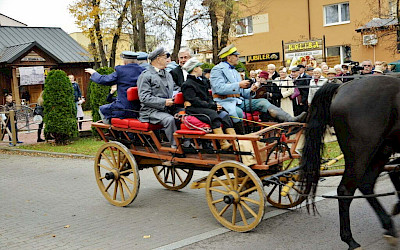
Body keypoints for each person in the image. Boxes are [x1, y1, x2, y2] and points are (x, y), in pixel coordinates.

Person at [210, 44, 306, 135]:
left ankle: (290, 119)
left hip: (239, 101)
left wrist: (251, 90)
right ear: (229, 57)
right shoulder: (217, 69)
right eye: (236, 56)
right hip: (224, 102)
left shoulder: (234, 71)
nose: (238, 57)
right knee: (238, 112)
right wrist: (239, 84)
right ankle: (241, 139)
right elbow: (219, 88)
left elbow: (242, 93)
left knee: (263, 102)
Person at [181, 58, 236, 150]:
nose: (201, 69)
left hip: (205, 106)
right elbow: (195, 101)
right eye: (199, 67)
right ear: (195, 69)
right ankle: (223, 143)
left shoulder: (201, 81)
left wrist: (215, 105)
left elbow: (207, 97)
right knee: (213, 115)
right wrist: (212, 106)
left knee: (224, 114)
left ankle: (234, 140)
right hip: (194, 109)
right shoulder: (187, 84)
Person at [85, 51, 145, 124]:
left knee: (102, 109)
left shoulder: (121, 71)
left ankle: (112, 130)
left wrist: (94, 73)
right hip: (139, 109)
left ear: (125, 61)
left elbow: (105, 80)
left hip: (123, 108)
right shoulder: (143, 71)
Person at [137, 47, 177, 148]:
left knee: (185, 115)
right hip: (150, 111)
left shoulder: (167, 74)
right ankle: (176, 148)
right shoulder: (146, 76)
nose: (168, 59)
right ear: (158, 59)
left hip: (168, 109)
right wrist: (164, 102)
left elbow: (176, 88)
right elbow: (144, 97)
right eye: (166, 56)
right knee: (169, 120)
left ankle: (188, 145)